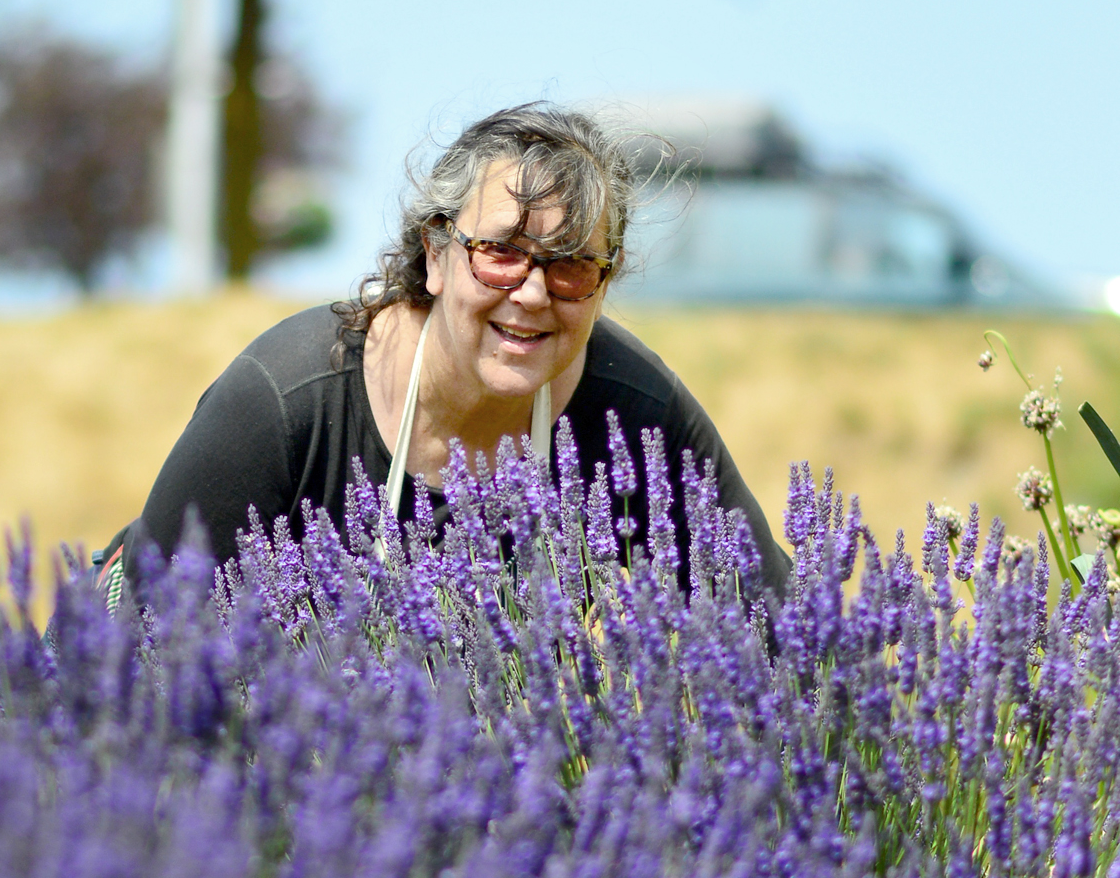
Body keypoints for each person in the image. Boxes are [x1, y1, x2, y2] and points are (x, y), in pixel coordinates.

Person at [102, 103, 790, 600]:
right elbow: (145, 653)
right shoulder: (285, 402)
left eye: (572, 266)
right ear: (435, 253)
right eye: (499, 253)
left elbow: (787, 635)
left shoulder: (638, 416)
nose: (531, 293)